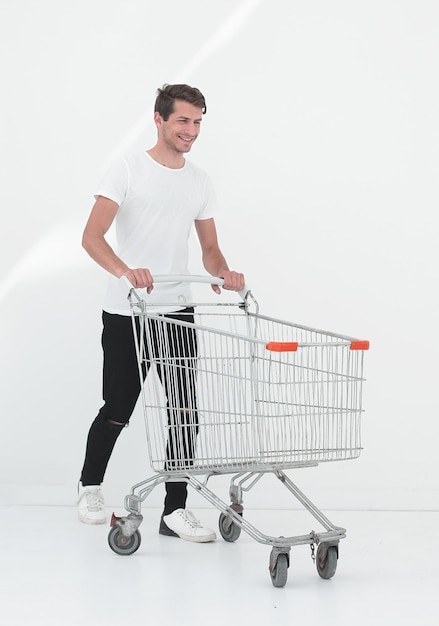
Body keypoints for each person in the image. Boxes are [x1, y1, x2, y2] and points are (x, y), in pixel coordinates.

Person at [78, 83, 245, 542]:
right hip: (128, 313)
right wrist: (124, 270)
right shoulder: (127, 169)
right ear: (159, 118)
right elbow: (92, 236)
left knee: (184, 412)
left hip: (177, 312)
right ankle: (90, 486)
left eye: (197, 122)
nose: (191, 131)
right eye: (183, 121)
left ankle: (174, 511)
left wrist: (223, 272)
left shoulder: (199, 181)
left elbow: (210, 249)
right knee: (118, 407)